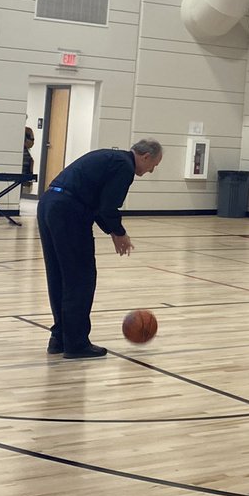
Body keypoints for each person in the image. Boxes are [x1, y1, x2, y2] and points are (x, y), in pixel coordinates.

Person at [37, 139, 163, 359]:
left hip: (49, 204)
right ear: (145, 157)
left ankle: (60, 338)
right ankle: (76, 344)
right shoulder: (125, 166)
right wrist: (119, 233)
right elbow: (107, 207)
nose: (152, 170)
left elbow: (98, 206)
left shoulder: (111, 157)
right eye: (154, 164)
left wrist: (114, 231)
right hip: (68, 211)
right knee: (80, 278)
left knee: (59, 276)